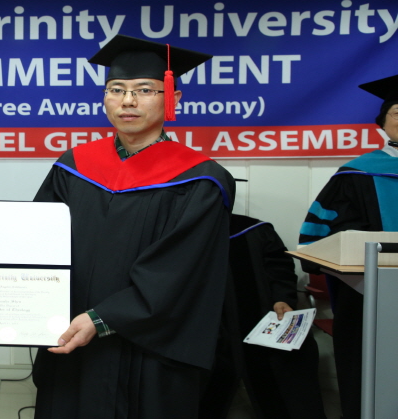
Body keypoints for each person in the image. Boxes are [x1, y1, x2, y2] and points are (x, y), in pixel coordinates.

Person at [31, 35, 235, 419]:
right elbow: (37, 239)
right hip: (70, 335)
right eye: (116, 89)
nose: (128, 101)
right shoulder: (73, 166)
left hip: (150, 349)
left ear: (172, 98)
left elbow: (183, 270)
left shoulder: (200, 179)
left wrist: (103, 318)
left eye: (144, 90)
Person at [298, 73, 398, 419]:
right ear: (382, 123)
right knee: (367, 368)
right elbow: (320, 237)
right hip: (368, 292)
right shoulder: (356, 173)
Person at [200, 213, 326, 419]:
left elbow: (280, 269)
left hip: (262, 321)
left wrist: (283, 298)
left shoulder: (254, 230)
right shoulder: (182, 232)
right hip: (207, 330)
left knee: (288, 367)